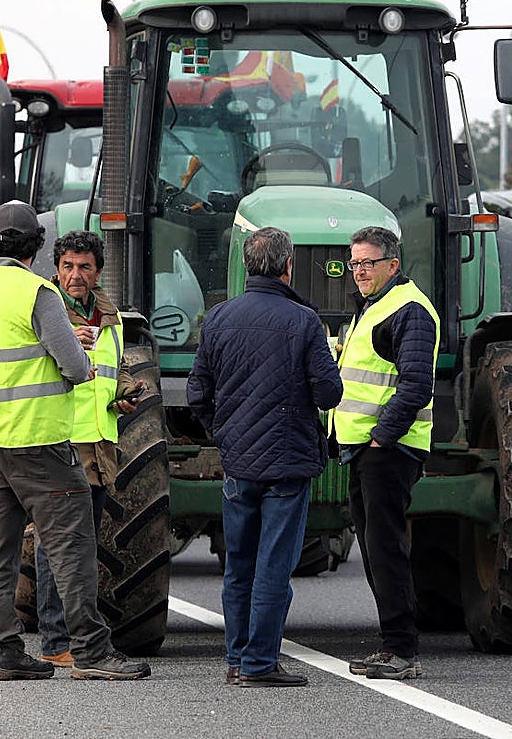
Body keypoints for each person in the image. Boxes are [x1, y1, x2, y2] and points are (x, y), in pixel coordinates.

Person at [0, 201, 150, 682]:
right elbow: (76, 368)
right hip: (40, 439)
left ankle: (2, 649)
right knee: (72, 545)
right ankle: (90, 650)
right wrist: (79, 353)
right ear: (37, 248)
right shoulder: (38, 293)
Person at [187, 226, 342, 688]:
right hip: (289, 462)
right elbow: (329, 393)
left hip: (238, 464)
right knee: (274, 566)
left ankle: (236, 660)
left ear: (247, 265)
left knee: (239, 565)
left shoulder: (218, 318)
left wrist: (224, 433)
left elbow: (198, 393)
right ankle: (259, 664)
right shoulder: (303, 320)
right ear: (288, 265)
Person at [34, 229, 144, 668]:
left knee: (85, 544)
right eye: (68, 266)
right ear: (56, 269)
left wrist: (123, 393)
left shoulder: (110, 316)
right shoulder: (48, 311)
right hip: (63, 438)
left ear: (98, 271)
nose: (75, 275)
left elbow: (109, 371)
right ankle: (55, 638)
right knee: (56, 543)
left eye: (84, 267)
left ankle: (79, 634)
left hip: (100, 441)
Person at [333, 226, 438, 681]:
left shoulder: (408, 309)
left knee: (386, 548)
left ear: (393, 265)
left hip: (387, 449)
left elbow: (416, 383)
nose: (358, 271)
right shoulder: (375, 307)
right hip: (366, 449)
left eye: (367, 263)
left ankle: (400, 650)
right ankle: (393, 646)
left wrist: (382, 437)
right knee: (376, 550)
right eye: (353, 263)